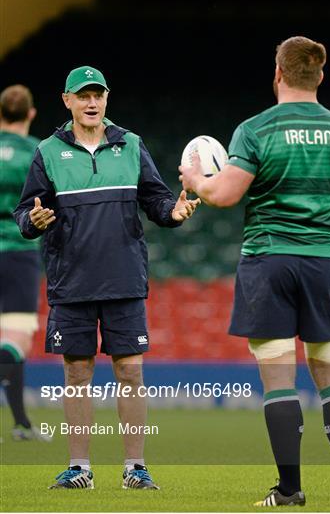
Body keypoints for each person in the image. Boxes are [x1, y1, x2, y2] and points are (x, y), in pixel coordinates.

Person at [180, 36, 330, 507]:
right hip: (323, 263)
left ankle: (290, 488)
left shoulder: (257, 129)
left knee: (279, 378)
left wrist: (196, 183)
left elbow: (225, 195)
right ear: (320, 76)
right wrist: (325, 217)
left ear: (278, 73)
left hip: (269, 261)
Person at [14, 66, 200, 490]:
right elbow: (26, 211)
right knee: (77, 374)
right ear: (67, 101)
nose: (91, 102)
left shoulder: (131, 145)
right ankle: (80, 467)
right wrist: (34, 220)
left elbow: (155, 198)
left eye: (97, 94)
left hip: (123, 280)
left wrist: (173, 212)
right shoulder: (47, 151)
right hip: (71, 282)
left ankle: (136, 468)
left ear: (107, 98)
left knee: (130, 372)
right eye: (83, 96)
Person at [0, 85, 51, 441]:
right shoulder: (36, 153)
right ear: (31, 114)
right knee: (15, 337)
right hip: (19, 250)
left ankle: (20, 423)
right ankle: (20, 424)